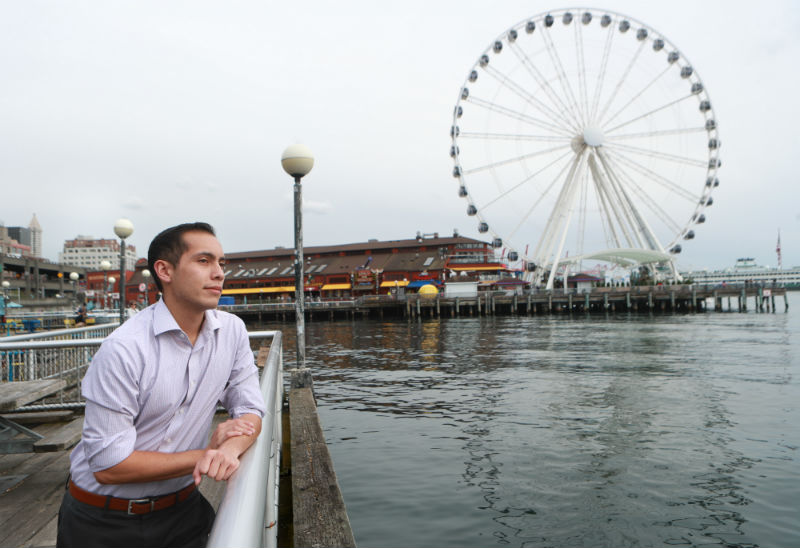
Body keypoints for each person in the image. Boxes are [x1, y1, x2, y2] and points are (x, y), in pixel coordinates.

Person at [57, 222, 266, 548]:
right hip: (103, 522)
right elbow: (109, 465)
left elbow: (250, 408)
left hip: (183, 510)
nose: (219, 273)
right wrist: (208, 453)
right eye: (204, 261)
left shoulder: (232, 332)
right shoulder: (124, 349)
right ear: (164, 271)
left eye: (222, 263)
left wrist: (230, 449)